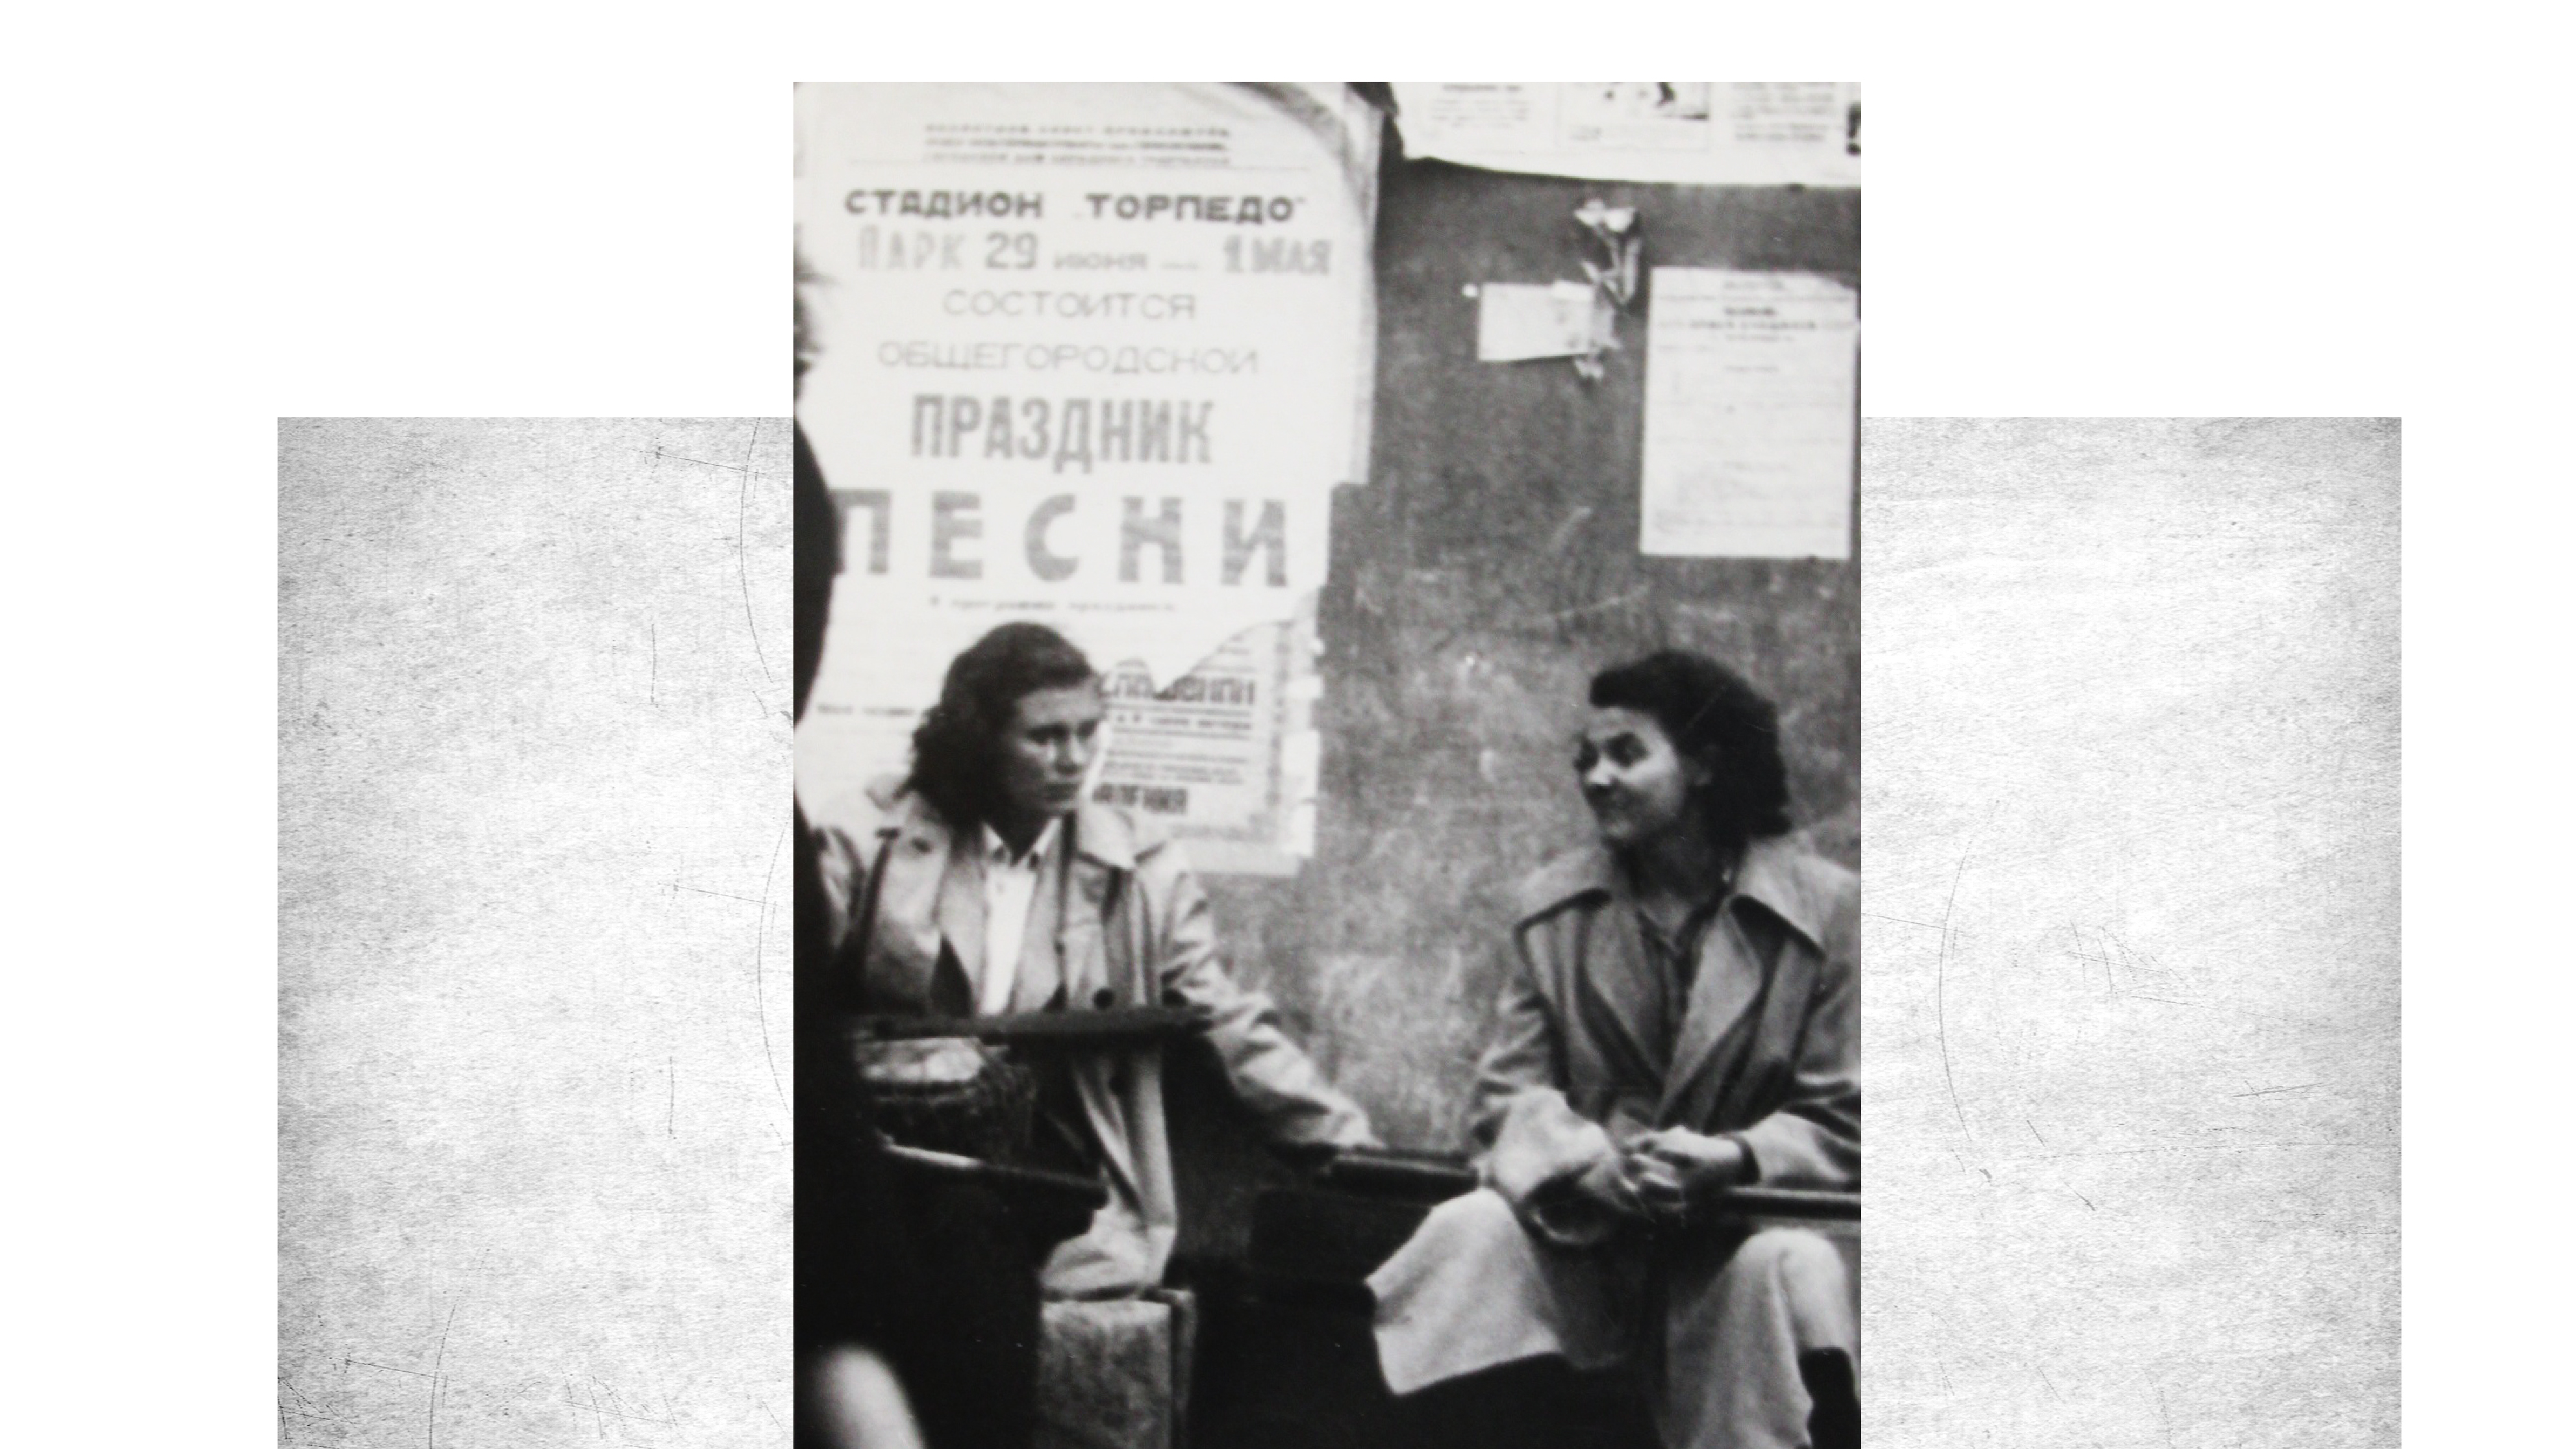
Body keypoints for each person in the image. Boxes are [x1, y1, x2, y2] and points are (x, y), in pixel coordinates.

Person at [1368, 650, 1859, 1449]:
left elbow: (1848, 1117)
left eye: (1626, 754)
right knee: (1473, 1227)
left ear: (1702, 765)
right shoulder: (1554, 911)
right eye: (1586, 759)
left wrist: (1733, 1159)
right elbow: (1504, 1099)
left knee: (1783, 1268)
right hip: (1598, 1246)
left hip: (1744, 1237)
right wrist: (1586, 1164)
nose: (1597, 777)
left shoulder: (1828, 913)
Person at [807, 620, 1378, 1300]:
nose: (1073, 759)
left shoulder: (1137, 862)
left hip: (1051, 1167)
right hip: (895, 1149)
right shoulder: (870, 836)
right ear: (979, 740)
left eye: (1088, 732)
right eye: (1045, 736)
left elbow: (1226, 1022)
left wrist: (1355, 1153)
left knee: (983, 1245)